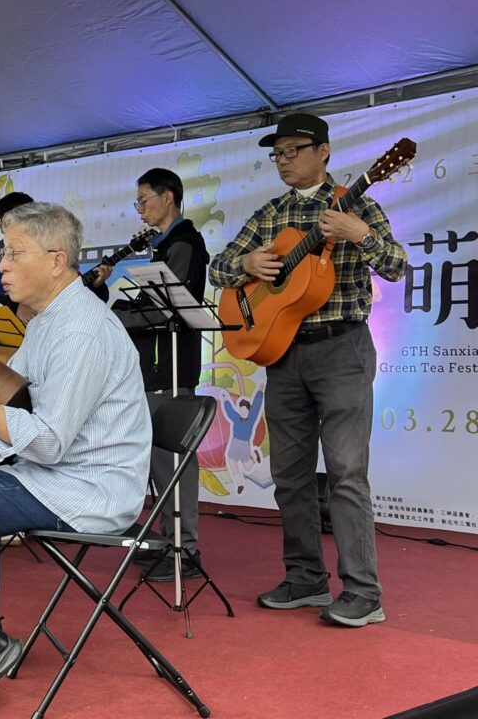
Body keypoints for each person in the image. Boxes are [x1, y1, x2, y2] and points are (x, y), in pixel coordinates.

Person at [0, 202, 151, 718]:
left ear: (57, 260)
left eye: (14, 253)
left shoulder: (82, 330)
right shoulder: (48, 320)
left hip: (89, 490)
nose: (1, 265)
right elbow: (6, 391)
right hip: (54, 475)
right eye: (3, 252)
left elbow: (47, 442)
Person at [208, 113, 407, 628]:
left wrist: (360, 234)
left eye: (293, 150)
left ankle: (363, 592)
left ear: (323, 151)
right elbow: (218, 268)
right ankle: (304, 578)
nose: (283, 160)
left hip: (342, 350)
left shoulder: (357, 203)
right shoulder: (270, 214)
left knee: (345, 473)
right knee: (289, 475)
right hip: (283, 354)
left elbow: (396, 266)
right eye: (277, 153)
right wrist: (247, 265)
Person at [120, 168, 209, 581]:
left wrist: (117, 317)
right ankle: (167, 539)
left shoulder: (184, 244)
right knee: (157, 461)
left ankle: (184, 549)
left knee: (174, 461)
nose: (140, 209)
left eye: (144, 200)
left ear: (168, 197)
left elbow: (165, 310)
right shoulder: (161, 247)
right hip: (153, 367)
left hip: (169, 368)